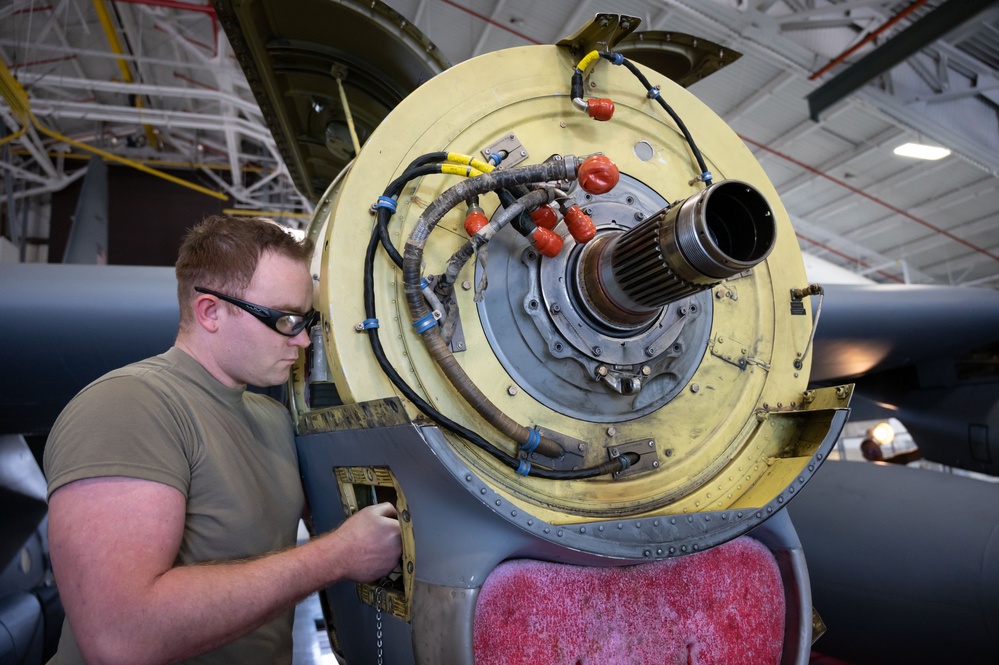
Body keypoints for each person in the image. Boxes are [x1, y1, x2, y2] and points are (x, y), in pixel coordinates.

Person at [43, 215, 401, 665]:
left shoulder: (271, 418)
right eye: (286, 319)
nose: (304, 340)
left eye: (305, 320)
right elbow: (121, 637)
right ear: (210, 312)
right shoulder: (128, 406)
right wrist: (337, 556)